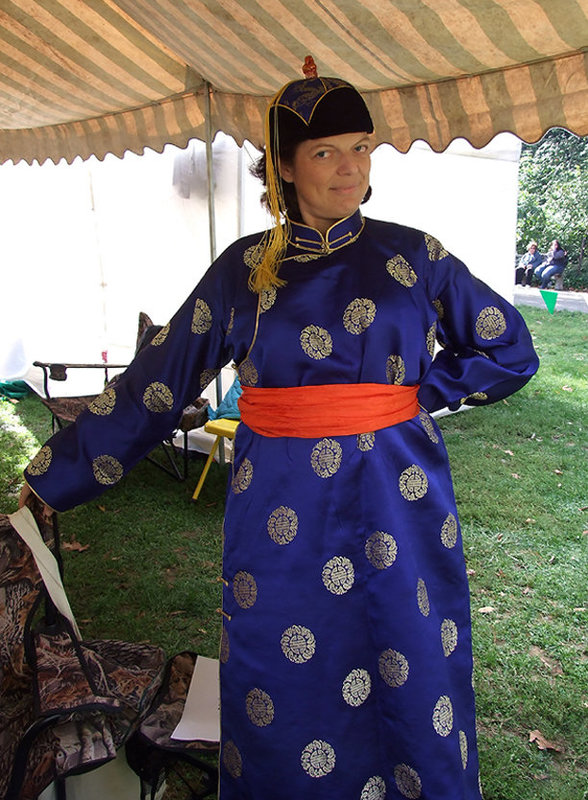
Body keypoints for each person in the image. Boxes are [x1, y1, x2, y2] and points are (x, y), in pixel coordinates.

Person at [20, 58, 539, 800]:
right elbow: (156, 387)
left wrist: (418, 395)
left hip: (401, 496)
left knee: (411, 652)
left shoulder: (414, 256)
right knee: (286, 670)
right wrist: (49, 478)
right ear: (285, 168)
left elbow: (509, 347)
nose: (349, 167)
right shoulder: (245, 271)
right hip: (282, 510)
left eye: (360, 147)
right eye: (326, 152)